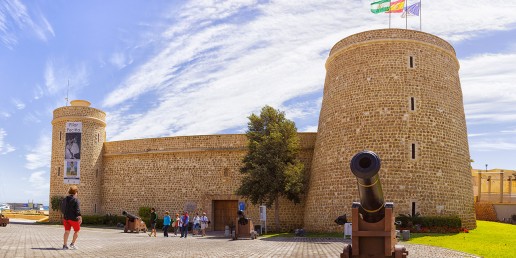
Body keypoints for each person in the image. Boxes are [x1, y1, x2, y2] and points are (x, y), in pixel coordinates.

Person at [62, 185, 82, 250]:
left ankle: (65, 245)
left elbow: (62, 208)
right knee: (77, 231)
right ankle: (72, 244)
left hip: (66, 218)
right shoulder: (76, 200)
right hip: (73, 219)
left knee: (67, 231)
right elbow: (77, 210)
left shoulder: (64, 199)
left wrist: (65, 215)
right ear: (75, 192)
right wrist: (80, 217)